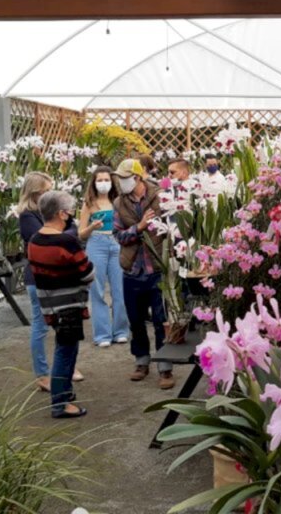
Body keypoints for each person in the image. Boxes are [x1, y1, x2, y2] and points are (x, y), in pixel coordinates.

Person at [27, 191, 94, 419]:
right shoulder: (66, 241)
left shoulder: (34, 240)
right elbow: (87, 273)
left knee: (63, 348)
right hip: (69, 304)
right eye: (69, 210)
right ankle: (60, 402)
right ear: (61, 213)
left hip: (49, 305)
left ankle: (64, 391)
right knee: (65, 352)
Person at [19, 173, 86, 390]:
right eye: (46, 189)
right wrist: (68, 232)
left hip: (59, 277)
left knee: (63, 325)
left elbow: (68, 232)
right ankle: (42, 374)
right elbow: (46, 238)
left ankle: (64, 367)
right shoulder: (27, 216)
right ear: (35, 193)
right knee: (41, 325)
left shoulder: (45, 214)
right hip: (39, 278)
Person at [112, 159, 175, 390]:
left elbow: (173, 229)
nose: (121, 181)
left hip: (157, 268)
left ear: (138, 178)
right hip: (132, 269)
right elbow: (118, 236)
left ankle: (165, 367)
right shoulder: (119, 203)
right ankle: (141, 362)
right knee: (136, 320)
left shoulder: (160, 196)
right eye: (119, 177)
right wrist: (137, 228)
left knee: (162, 320)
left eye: (125, 177)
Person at [78, 166, 130, 347]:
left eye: (106, 180)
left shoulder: (118, 201)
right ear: (94, 183)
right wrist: (93, 227)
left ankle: (121, 330)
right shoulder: (89, 203)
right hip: (96, 243)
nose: (103, 183)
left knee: (120, 288)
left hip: (116, 242)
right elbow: (81, 233)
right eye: (99, 180)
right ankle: (102, 335)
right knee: (97, 289)